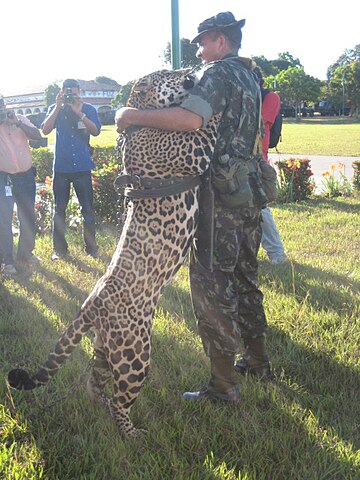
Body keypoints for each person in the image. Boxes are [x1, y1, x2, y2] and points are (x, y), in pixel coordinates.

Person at [115, 11, 272, 402]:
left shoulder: (217, 74)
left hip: (217, 197)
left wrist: (130, 115)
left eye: (203, 42)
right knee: (245, 281)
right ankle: (257, 362)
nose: (199, 51)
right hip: (248, 191)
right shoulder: (249, 76)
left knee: (211, 286)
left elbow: (189, 120)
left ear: (221, 41)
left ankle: (223, 387)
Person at [42, 79, 101, 260]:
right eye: (67, 93)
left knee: (87, 210)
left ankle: (91, 249)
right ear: (62, 92)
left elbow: (96, 131)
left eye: (74, 93)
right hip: (62, 168)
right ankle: (59, 250)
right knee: (59, 210)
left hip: (82, 166)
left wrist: (79, 113)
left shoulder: (88, 108)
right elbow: (45, 130)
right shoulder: (56, 108)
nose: (71, 96)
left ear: (79, 92)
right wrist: (58, 106)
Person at [0, 95, 43, 275]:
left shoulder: (20, 119)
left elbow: (37, 137)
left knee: (28, 217)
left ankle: (25, 255)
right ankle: (7, 261)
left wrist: (17, 123)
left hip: (25, 177)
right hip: (4, 179)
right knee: (4, 220)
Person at [256, 68, 288, 265]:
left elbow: (259, 126)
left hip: (257, 159)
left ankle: (277, 254)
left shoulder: (270, 97)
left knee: (260, 207)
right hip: (234, 161)